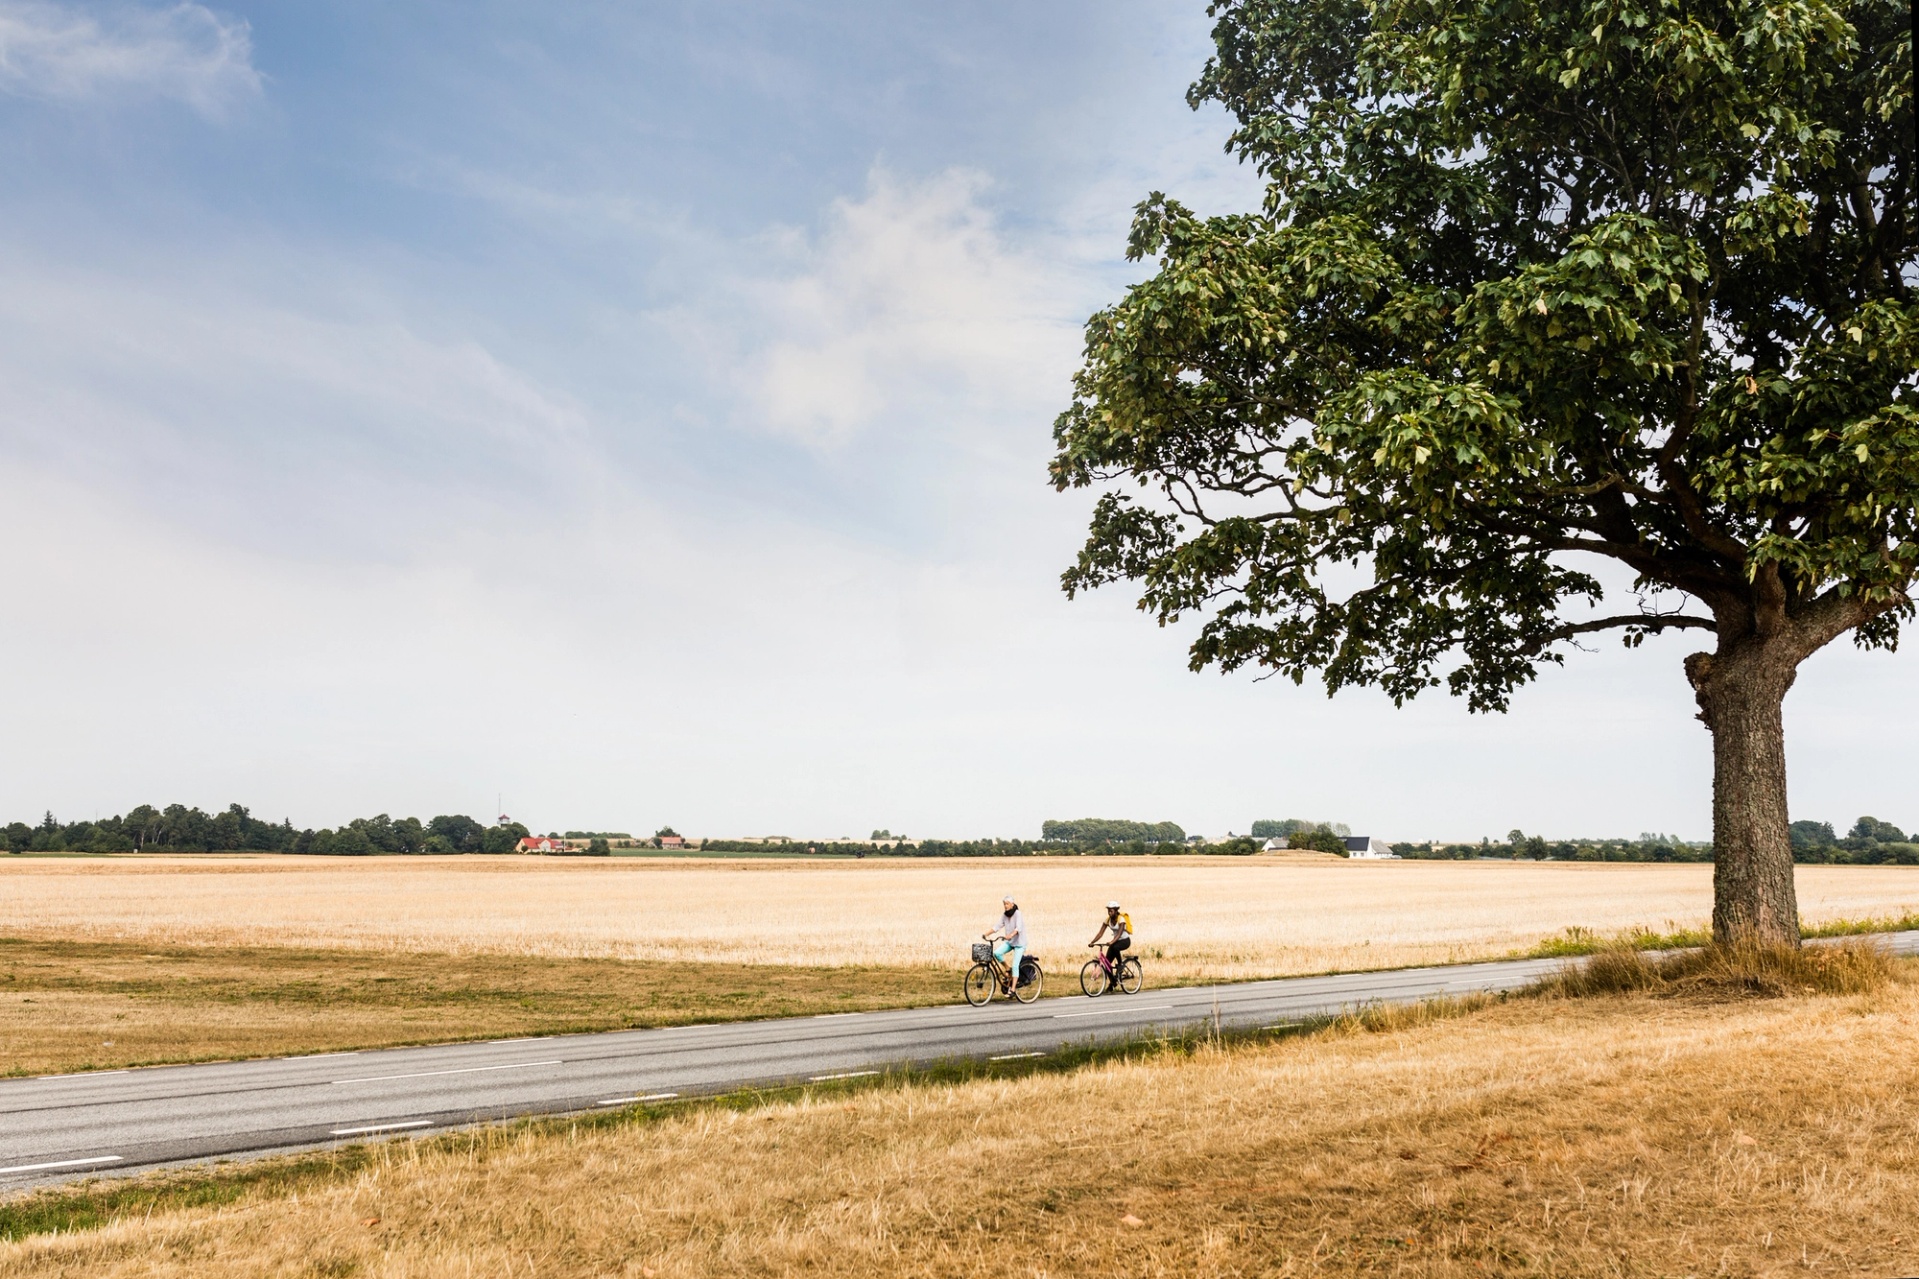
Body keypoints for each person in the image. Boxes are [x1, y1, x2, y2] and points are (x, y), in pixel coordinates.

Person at [983, 895, 1027, 993]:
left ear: (1012, 904)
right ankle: (1007, 968)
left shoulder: (1018, 914)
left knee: (1015, 965)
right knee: (996, 953)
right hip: (1010, 942)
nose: (1005, 906)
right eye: (1004, 904)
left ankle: (1013, 989)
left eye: (1007, 904)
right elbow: (997, 926)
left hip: (1020, 943)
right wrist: (986, 934)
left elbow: (1018, 928)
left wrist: (1011, 935)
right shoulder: (1005, 915)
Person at [1088, 900, 1131, 974]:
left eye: (1111, 911)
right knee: (1107, 964)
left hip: (1125, 941)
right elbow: (1100, 933)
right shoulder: (1108, 920)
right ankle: (1113, 981)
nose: (1109, 913)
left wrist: (1112, 942)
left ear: (1116, 911)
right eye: (1108, 911)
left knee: (1115, 947)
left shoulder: (1121, 919)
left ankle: (1120, 965)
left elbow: (1119, 934)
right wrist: (1092, 942)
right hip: (1116, 941)